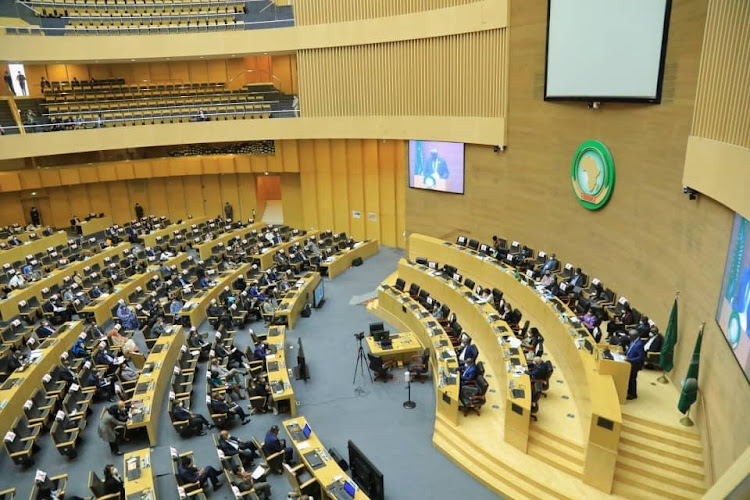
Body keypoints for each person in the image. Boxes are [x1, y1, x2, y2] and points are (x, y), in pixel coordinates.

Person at [625, 330, 646, 400]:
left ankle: (633, 394)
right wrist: (624, 353)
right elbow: (629, 350)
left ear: (634, 336)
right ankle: (629, 390)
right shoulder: (633, 341)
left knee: (632, 379)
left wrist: (630, 360)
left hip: (635, 364)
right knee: (629, 377)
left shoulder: (640, 344)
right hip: (629, 362)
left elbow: (641, 357)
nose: (629, 337)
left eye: (630, 336)